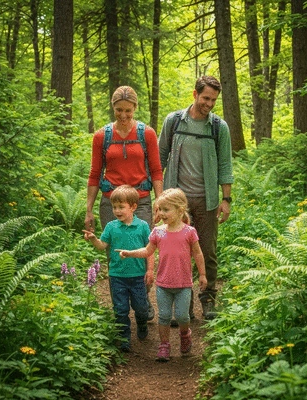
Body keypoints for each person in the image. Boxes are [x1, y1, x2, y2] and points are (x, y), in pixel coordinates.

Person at [158, 76, 234, 320]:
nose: (209, 104)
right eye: (205, 98)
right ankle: (183, 306)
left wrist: (226, 199)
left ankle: (208, 298)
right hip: (177, 203)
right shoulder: (174, 121)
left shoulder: (218, 127)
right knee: (177, 252)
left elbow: (225, 164)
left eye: (213, 100)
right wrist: (159, 198)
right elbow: (159, 158)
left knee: (207, 251)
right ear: (195, 94)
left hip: (208, 200)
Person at [85, 86, 163, 320]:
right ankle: (119, 309)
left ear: (135, 109)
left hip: (141, 201)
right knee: (115, 255)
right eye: (119, 110)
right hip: (111, 202)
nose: (123, 115)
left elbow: (157, 170)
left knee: (144, 249)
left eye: (128, 111)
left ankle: (142, 300)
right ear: (113, 108)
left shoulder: (146, 134)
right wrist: (88, 208)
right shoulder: (102, 136)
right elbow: (94, 172)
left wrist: (159, 199)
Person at [117, 188, 207, 362]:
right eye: (159, 209)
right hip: (163, 284)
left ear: (180, 210)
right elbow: (147, 251)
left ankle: (185, 334)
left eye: (166, 210)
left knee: (182, 316)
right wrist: (129, 253)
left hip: (183, 284)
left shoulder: (189, 232)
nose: (162, 213)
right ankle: (164, 345)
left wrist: (202, 275)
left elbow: (198, 253)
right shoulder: (158, 232)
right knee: (164, 316)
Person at [83, 185, 154, 353]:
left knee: (142, 308)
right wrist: (93, 239)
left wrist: (150, 270)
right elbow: (102, 246)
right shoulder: (111, 227)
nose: (117, 210)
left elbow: (150, 251)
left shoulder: (143, 226)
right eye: (114, 207)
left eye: (121, 207)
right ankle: (124, 338)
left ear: (133, 207)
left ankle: (142, 323)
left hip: (137, 276)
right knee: (120, 309)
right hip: (117, 276)